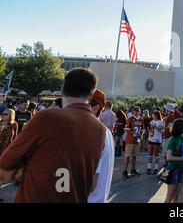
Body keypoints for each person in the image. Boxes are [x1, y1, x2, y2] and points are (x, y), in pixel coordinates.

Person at [0, 68, 109, 202]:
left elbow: (4, 169)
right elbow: (92, 183)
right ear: (91, 96)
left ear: (62, 92)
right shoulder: (100, 129)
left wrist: (26, 170)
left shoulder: (46, 117)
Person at [164, 118, 183, 203]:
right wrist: (181, 158)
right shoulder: (172, 139)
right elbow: (168, 157)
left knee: (176, 196)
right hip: (173, 169)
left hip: (181, 169)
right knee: (170, 195)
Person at [0, 108, 18, 202]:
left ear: (11, 116)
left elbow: (15, 138)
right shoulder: (0, 124)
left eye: (6, 114)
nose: (3, 116)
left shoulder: (14, 124)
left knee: (1, 174)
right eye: (3, 114)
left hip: (7, 151)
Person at [123, 106, 143, 178]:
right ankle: (125, 171)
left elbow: (142, 130)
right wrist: (133, 132)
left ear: (139, 111)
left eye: (138, 111)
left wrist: (141, 136)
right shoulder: (130, 119)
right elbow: (125, 129)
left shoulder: (141, 119)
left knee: (134, 156)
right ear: (133, 111)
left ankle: (133, 169)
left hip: (137, 140)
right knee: (128, 156)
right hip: (130, 140)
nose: (137, 112)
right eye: (135, 111)